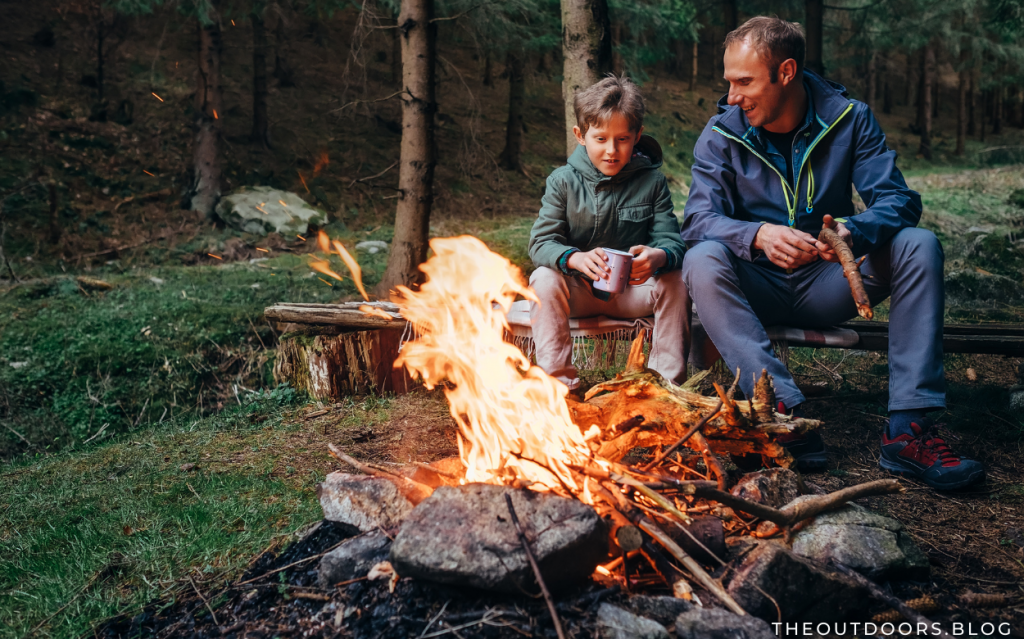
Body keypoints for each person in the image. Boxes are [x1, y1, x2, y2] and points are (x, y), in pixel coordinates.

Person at [682, 17, 984, 489]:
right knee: (701, 258)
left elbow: (899, 201)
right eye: (729, 82)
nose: (733, 96)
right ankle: (781, 411)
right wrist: (758, 234)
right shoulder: (722, 133)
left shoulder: (849, 118)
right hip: (753, 286)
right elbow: (697, 221)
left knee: (918, 245)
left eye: (744, 82)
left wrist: (851, 231)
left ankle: (909, 431)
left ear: (785, 72)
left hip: (830, 284)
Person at [528, 75, 689, 393]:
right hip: (579, 293)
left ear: (638, 136)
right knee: (543, 278)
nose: (612, 151)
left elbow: (672, 242)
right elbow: (540, 243)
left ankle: (664, 387)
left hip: (633, 292)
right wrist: (574, 259)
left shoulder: (651, 182)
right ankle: (559, 385)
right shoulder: (562, 181)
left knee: (677, 278)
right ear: (580, 135)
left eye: (623, 139)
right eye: (600, 139)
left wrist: (658, 256)